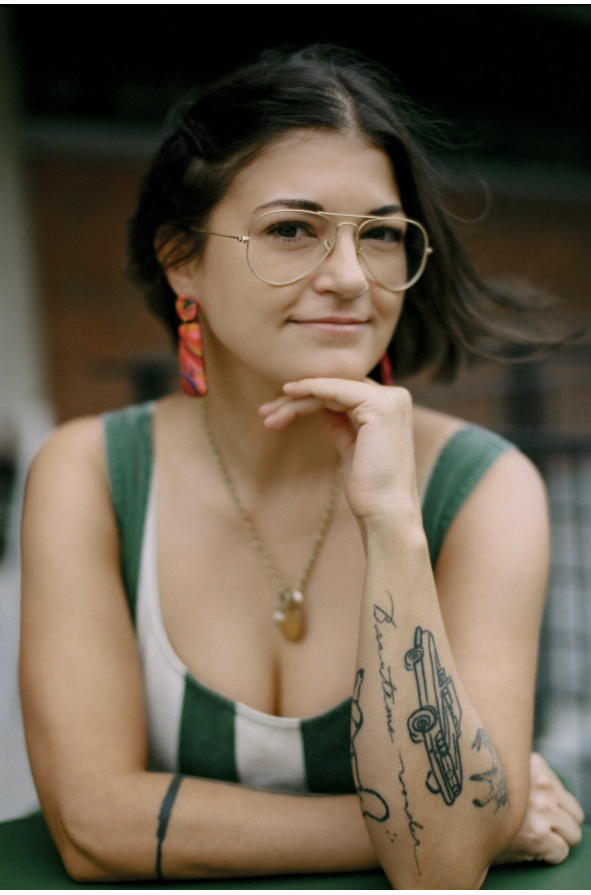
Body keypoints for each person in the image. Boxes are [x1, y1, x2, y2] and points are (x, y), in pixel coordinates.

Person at [19, 46, 584, 888]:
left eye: (383, 235)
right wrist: (458, 819)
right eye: (292, 229)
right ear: (181, 257)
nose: (352, 278)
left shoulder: (484, 488)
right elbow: (96, 827)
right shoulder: (90, 474)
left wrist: (391, 522)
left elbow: (442, 874)